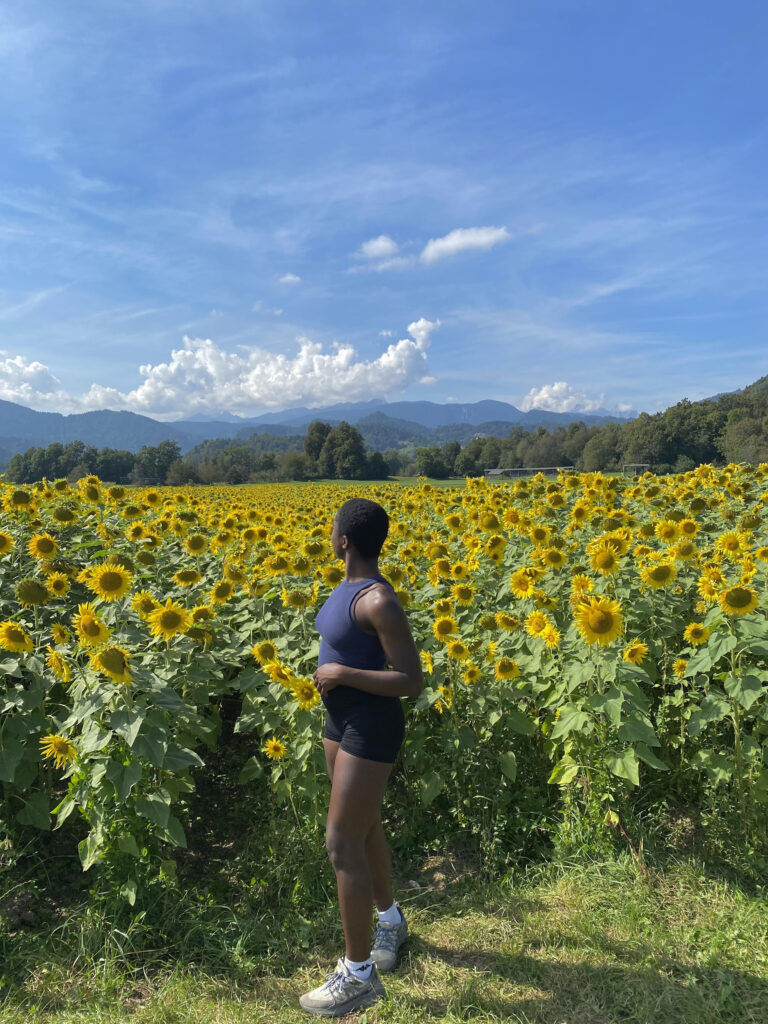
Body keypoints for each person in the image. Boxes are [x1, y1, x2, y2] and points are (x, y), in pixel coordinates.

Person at [299, 497, 423, 1017]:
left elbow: (412, 681)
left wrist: (342, 676)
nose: (329, 535)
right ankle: (390, 922)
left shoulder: (378, 601)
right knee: (365, 827)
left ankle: (358, 975)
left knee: (341, 843)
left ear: (344, 539)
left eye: (333, 529)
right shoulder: (345, 587)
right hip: (339, 721)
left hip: (370, 728)